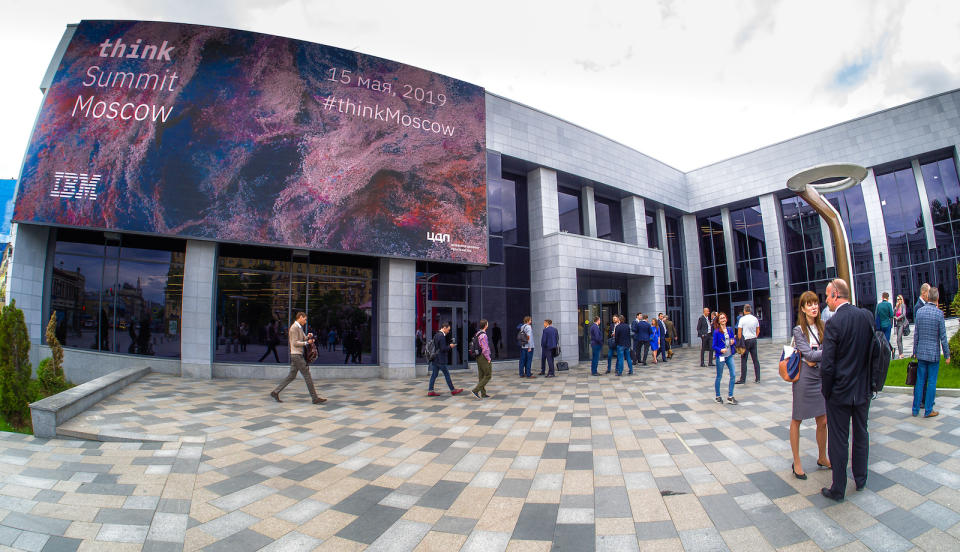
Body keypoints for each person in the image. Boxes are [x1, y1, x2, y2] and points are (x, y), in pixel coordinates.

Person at [820, 278, 874, 501]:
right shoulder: (865, 316)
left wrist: (827, 391)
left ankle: (838, 488)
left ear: (835, 295)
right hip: (862, 390)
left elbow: (828, 364)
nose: (826, 300)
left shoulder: (834, 323)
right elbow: (873, 352)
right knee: (861, 434)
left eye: (826, 296)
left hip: (840, 393)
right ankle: (860, 479)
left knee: (839, 439)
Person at [789, 291, 830, 480]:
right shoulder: (798, 330)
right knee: (797, 418)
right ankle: (797, 461)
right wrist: (822, 352)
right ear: (803, 309)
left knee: (823, 420)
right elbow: (810, 356)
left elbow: (817, 355)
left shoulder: (823, 326)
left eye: (816, 303)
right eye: (809, 304)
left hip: (820, 376)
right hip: (804, 377)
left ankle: (822, 456)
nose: (814, 307)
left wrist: (817, 354)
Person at [270, 312, 326, 404]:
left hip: (296, 355)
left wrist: (308, 337)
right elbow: (295, 342)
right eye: (305, 319)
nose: (305, 321)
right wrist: (307, 343)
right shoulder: (294, 328)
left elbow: (303, 338)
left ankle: (275, 392)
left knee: (291, 376)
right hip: (296, 356)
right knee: (307, 375)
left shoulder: (299, 327)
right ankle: (314, 398)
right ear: (300, 317)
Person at [912, 287, 949, 418]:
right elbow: (943, 337)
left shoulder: (920, 312)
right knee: (931, 382)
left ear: (928, 297)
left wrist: (914, 350)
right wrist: (947, 355)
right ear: (937, 298)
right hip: (933, 354)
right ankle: (928, 410)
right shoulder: (939, 314)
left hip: (921, 353)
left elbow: (916, 334)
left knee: (920, 381)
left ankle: (915, 409)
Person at [428, 322, 464, 396]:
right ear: (444, 327)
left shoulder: (436, 335)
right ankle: (453, 390)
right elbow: (443, 349)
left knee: (434, 375)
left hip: (435, 359)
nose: (448, 331)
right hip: (440, 360)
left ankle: (430, 391)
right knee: (446, 374)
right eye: (448, 329)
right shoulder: (441, 336)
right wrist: (450, 346)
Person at [712, 312, 738, 405]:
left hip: (729, 355)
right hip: (721, 357)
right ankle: (718, 396)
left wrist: (733, 341)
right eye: (721, 318)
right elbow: (713, 346)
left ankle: (730, 396)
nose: (723, 320)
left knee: (733, 374)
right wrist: (720, 350)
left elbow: (734, 340)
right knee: (719, 376)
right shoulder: (716, 332)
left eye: (724, 318)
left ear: (726, 319)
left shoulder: (729, 329)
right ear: (718, 321)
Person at [736, 304, 761, 384]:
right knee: (755, 360)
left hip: (745, 340)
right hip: (753, 340)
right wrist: (755, 336)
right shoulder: (755, 319)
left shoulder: (742, 319)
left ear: (744, 310)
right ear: (750, 310)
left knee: (744, 360)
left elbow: (739, 333)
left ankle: (743, 379)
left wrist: (740, 341)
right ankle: (758, 378)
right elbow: (758, 331)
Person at [472, 319, 493, 399]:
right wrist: (488, 358)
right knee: (488, 375)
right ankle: (475, 390)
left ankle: (483, 394)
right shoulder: (483, 335)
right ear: (485, 325)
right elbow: (485, 349)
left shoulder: (477, 333)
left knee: (481, 375)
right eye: (487, 323)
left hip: (478, 356)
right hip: (483, 356)